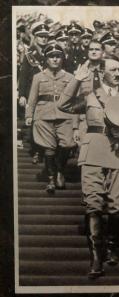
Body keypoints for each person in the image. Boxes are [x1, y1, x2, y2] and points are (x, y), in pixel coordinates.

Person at [58, 58, 119, 279]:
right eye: (113, 70)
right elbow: (63, 105)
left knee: (117, 206)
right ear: (102, 73)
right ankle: (96, 260)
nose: (118, 73)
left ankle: (112, 247)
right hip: (94, 153)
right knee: (93, 204)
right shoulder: (90, 95)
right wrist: (76, 81)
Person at [25, 43, 76, 193]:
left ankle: (60, 169)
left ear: (62, 58)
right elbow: (32, 98)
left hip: (65, 115)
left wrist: (76, 120)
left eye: (58, 56)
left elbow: (74, 99)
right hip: (44, 115)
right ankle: (51, 179)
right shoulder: (38, 77)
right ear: (46, 59)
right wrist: (29, 115)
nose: (55, 59)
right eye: (51, 57)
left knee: (67, 144)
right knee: (49, 148)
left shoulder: (70, 77)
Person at [18, 21, 49, 164]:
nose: (44, 39)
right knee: (34, 123)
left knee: (46, 123)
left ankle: (44, 149)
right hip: (32, 93)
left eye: (45, 36)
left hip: (47, 94)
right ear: (35, 37)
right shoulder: (30, 54)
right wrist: (22, 95)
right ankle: (36, 151)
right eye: (40, 36)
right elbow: (23, 76)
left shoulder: (51, 53)